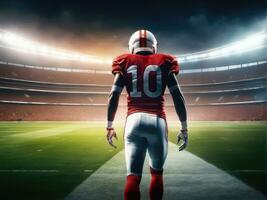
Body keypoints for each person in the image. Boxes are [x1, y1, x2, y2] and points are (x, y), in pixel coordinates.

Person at [106, 30, 188, 200]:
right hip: (157, 120)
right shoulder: (165, 61)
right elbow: (177, 95)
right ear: (154, 46)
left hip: (133, 120)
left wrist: (109, 125)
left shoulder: (123, 60)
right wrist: (184, 127)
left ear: (132, 45)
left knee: (133, 177)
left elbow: (114, 94)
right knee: (157, 174)